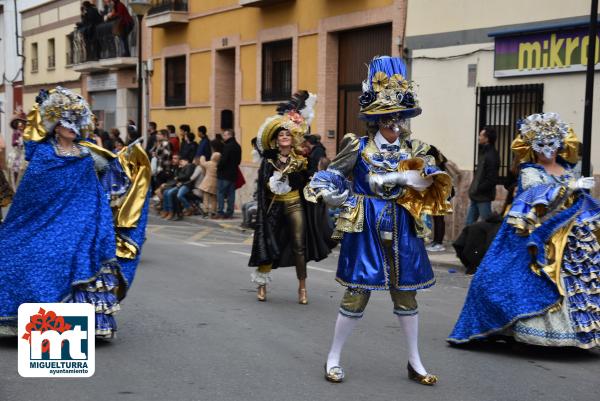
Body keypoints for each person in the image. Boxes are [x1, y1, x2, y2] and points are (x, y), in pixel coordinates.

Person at [306, 57, 452, 385]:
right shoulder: (357, 147)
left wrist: (416, 180)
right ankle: (333, 357)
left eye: (399, 117)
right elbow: (328, 176)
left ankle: (415, 362)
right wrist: (331, 193)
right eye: (388, 118)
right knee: (357, 293)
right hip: (366, 225)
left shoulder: (417, 149)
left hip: (403, 226)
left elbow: (441, 182)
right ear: (376, 120)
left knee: (406, 294)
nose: (395, 124)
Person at [0, 87, 151, 338]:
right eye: (67, 123)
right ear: (56, 126)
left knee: (75, 253)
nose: (72, 128)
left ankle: (77, 325)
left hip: (81, 223)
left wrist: (134, 159)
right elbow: (32, 197)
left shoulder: (86, 154)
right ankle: (26, 319)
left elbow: (115, 173)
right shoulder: (44, 155)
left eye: (76, 123)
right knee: (22, 252)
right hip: (43, 223)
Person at [449, 113, 599, 348]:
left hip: (568, 236)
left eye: (552, 144)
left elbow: (574, 200)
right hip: (532, 234)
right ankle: (518, 328)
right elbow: (538, 198)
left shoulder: (566, 168)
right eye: (542, 144)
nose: (547, 150)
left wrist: (580, 194)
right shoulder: (530, 171)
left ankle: (575, 332)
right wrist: (571, 187)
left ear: (560, 144)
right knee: (510, 278)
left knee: (576, 280)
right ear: (532, 146)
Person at [249, 91, 333, 304]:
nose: (284, 137)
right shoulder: (268, 162)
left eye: (287, 135)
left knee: (299, 245)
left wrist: (298, 175)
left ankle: (302, 288)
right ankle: (262, 285)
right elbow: (263, 187)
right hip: (273, 207)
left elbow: (306, 183)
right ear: (276, 140)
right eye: (281, 135)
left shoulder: (301, 160)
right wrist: (273, 182)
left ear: (292, 138)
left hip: (295, 204)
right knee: (268, 243)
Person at [466, 127, 499, 225]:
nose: (479, 138)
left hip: (483, 196)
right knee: (469, 223)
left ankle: (489, 240)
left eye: (481, 135)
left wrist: (478, 189)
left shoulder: (491, 155)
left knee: (486, 223)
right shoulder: (485, 152)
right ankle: (469, 240)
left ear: (487, 138)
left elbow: (491, 179)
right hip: (477, 196)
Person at [216, 129, 241, 219]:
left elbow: (223, 161)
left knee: (221, 193)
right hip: (233, 174)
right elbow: (238, 161)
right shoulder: (238, 146)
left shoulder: (227, 146)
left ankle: (220, 212)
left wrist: (218, 167)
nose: (223, 137)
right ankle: (230, 213)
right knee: (231, 194)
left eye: (224, 135)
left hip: (224, 174)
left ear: (229, 135)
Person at [198, 150, 220, 218]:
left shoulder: (210, 163)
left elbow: (202, 163)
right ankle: (213, 211)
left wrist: (202, 156)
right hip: (215, 182)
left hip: (207, 182)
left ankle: (206, 211)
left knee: (206, 197)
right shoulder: (218, 164)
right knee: (214, 198)